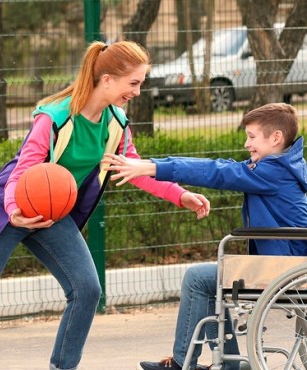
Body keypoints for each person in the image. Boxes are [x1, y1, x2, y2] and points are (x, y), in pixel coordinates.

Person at [0, 40, 210, 370]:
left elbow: (135, 170)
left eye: (141, 83)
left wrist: (180, 195)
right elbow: (22, 171)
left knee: (87, 290)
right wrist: (14, 211)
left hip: (52, 214)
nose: (137, 92)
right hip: (6, 211)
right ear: (107, 80)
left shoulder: (115, 124)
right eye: (133, 83)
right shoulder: (54, 118)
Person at [102, 102, 307, 370]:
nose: (247, 144)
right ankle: (227, 363)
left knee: (199, 279)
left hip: (283, 269)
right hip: (289, 264)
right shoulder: (284, 166)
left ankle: (181, 363)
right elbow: (222, 167)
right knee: (212, 280)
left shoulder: (273, 172)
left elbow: (217, 172)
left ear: (276, 138)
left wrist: (152, 167)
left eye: (252, 137)